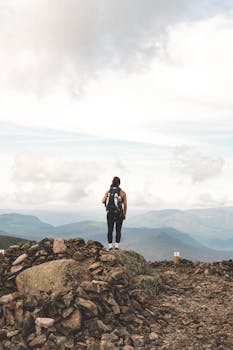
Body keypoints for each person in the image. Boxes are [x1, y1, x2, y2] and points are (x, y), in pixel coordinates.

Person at [102, 176, 127, 250]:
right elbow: (125, 204)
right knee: (118, 230)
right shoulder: (122, 192)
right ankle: (116, 246)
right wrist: (124, 214)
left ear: (112, 182)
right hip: (119, 213)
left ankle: (110, 246)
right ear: (119, 183)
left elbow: (103, 201)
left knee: (110, 229)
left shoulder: (108, 192)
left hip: (110, 213)